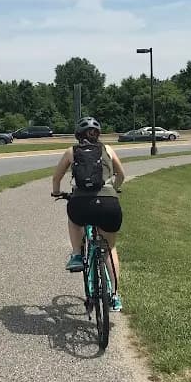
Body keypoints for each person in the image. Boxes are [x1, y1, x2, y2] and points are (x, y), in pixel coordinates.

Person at [51, 116, 126, 311]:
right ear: (98, 134)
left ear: (78, 135)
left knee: (74, 218)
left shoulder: (71, 151)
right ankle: (115, 296)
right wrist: (114, 189)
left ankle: (77, 255)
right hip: (109, 203)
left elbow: (57, 177)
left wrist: (57, 191)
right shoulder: (108, 149)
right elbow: (122, 175)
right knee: (110, 248)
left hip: (81, 203)